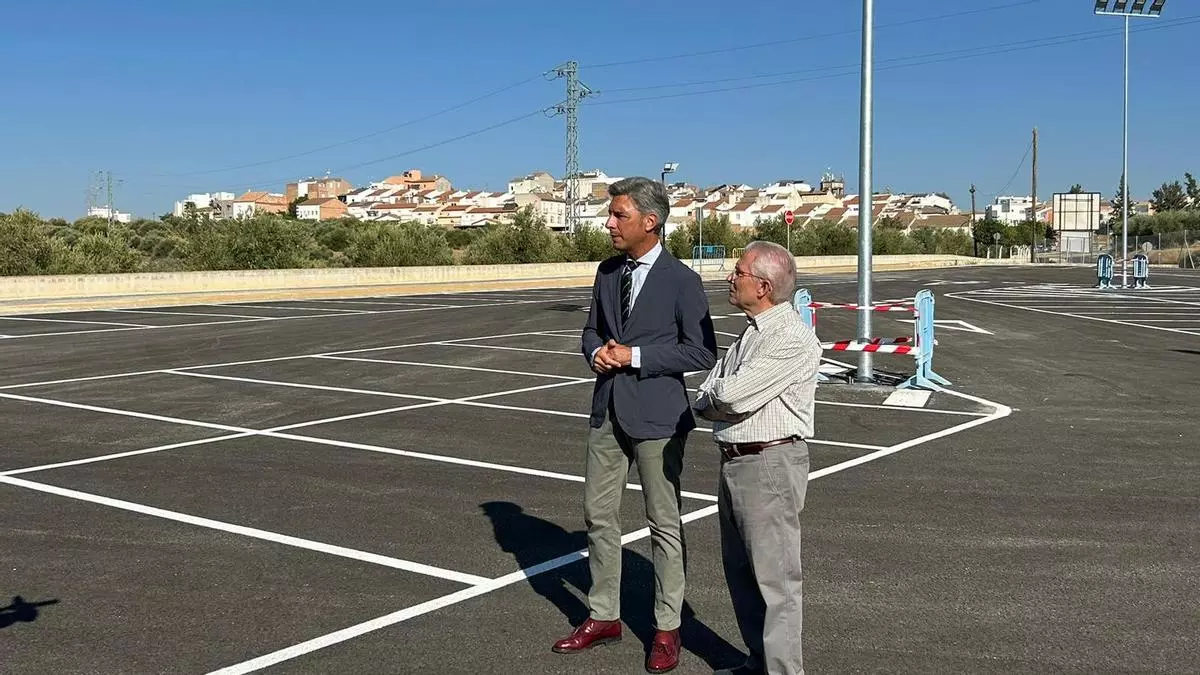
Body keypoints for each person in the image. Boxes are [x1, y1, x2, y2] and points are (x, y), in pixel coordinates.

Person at [553, 176, 718, 674]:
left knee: (662, 524)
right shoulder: (606, 272)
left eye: (618, 215)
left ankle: (667, 628)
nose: (609, 223)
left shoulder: (682, 280)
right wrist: (596, 352)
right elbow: (590, 330)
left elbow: (701, 350)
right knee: (597, 516)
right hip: (607, 411)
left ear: (651, 221)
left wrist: (636, 355)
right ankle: (604, 615)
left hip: (659, 417)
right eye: (611, 215)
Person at [692, 241, 821, 675]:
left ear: (763, 286)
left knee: (776, 582)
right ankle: (758, 662)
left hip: (768, 463)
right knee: (742, 575)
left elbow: (729, 394)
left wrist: (715, 397)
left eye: (739, 271)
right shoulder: (752, 331)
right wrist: (715, 397)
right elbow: (711, 388)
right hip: (735, 459)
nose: (731, 276)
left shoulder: (791, 339)